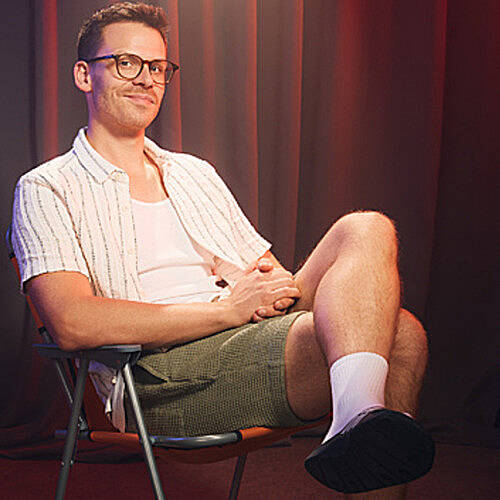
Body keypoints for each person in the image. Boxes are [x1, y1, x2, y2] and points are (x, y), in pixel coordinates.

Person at [11, 2, 434, 497]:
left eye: (158, 67)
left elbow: (269, 276)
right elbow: (72, 322)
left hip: (241, 335)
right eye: (126, 63)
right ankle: (356, 418)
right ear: (85, 75)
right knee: (402, 335)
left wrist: (262, 294)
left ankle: (355, 418)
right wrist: (228, 310)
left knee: (366, 227)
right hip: (158, 376)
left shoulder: (194, 173)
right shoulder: (47, 187)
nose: (146, 78)